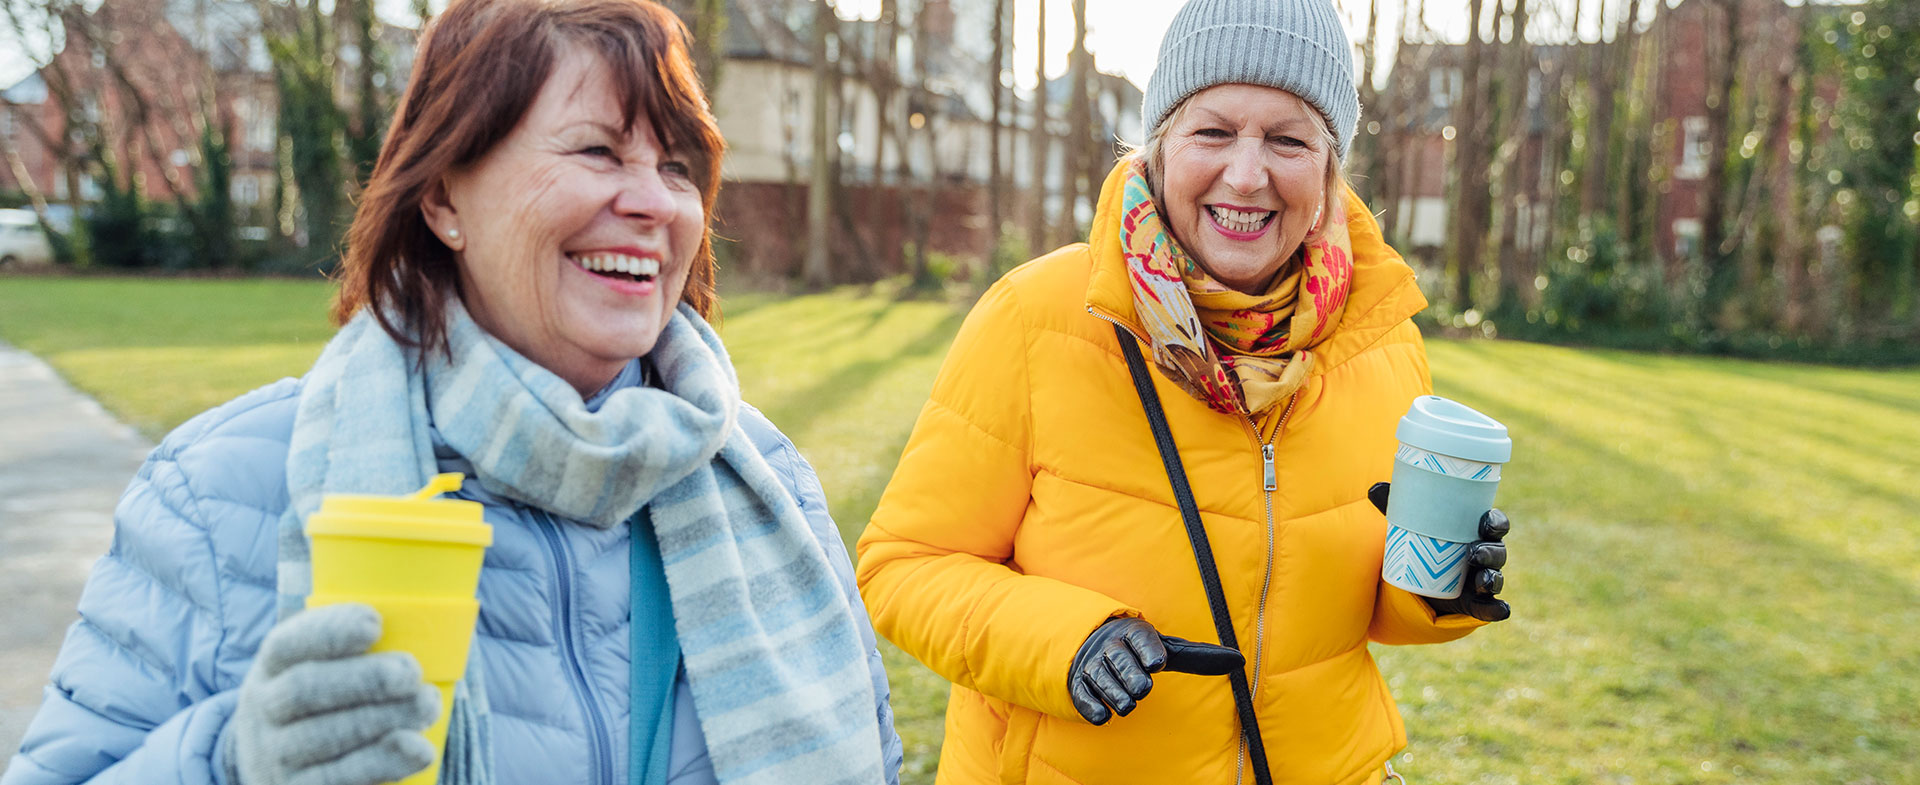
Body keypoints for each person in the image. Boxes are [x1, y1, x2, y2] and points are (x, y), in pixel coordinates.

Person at [1, 1, 901, 784]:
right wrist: (228, 761)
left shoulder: (767, 479)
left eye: (675, 167)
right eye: (597, 149)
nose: (655, 203)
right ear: (443, 200)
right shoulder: (221, 488)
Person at [854, 0, 1513, 782]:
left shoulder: (1381, 339)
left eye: (1287, 139)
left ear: (1329, 166)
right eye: (1213, 131)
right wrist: (1069, 641)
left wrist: (1440, 592)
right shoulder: (1036, 318)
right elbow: (903, 565)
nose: (1246, 173)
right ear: (1160, 146)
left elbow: (1341, 613)